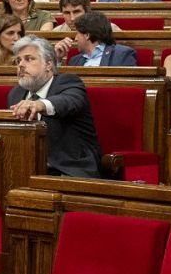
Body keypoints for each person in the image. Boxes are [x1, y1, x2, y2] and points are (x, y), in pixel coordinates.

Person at [8, 36, 101, 177]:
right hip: (28, 169)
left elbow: (69, 101)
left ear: (48, 64)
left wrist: (40, 104)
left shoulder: (68, 82)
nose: (21, 65)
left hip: (68, 169)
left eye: (29, 59)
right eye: (18, 60)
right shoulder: (16, 93)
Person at [56, 12, 138, 67]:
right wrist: (58, 59)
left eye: (77, 34)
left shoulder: (122, 54)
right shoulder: (74, 61)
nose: (76, 38)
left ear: (87, 35)